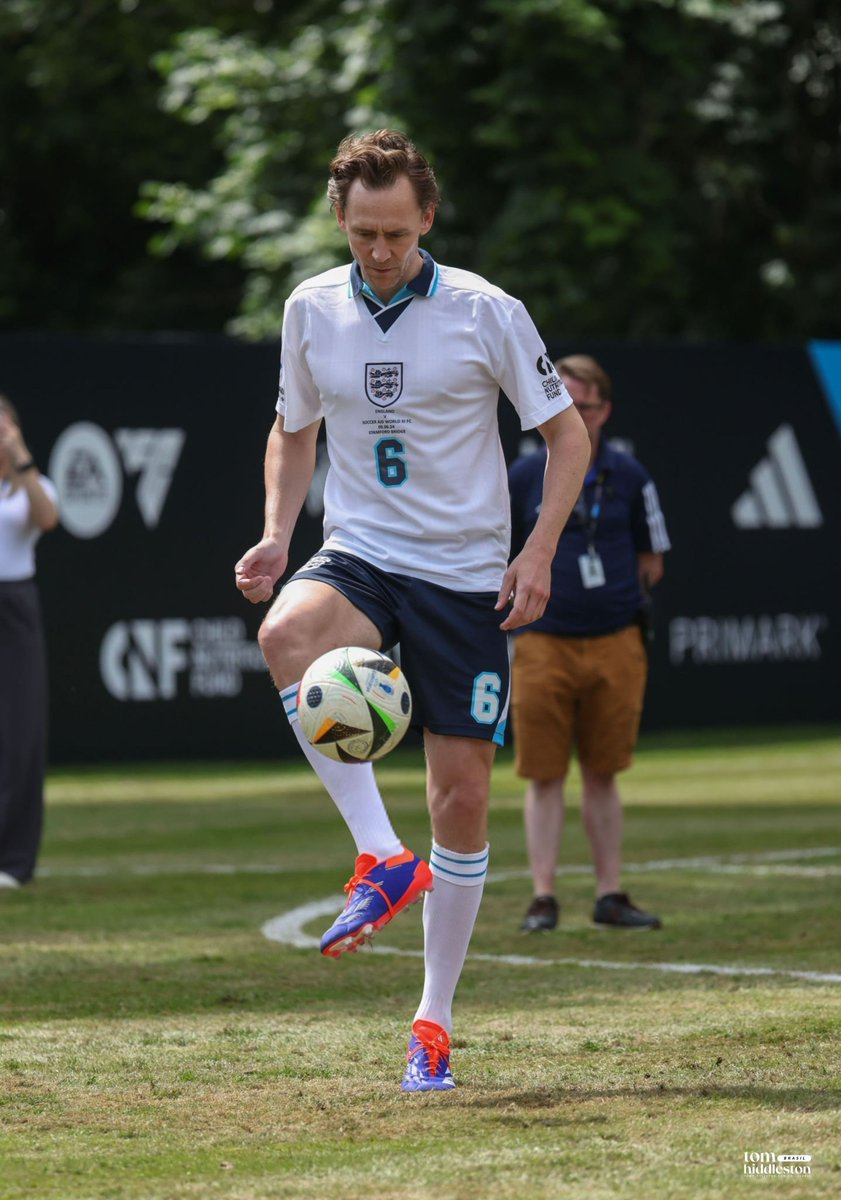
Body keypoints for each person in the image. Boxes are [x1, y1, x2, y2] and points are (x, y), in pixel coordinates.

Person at [235, 130, 590, 1091]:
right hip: (363, 551)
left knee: (462, 801)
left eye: (395, 233)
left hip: (464, 575)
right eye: (362, 236)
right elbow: (291, 428)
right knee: (284, 635)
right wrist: (277, 533)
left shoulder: (486, 312)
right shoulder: (310, 306)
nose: (379, 251)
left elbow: (564, 438)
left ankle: (431, 1021)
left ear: (426, 217)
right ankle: (381, 857)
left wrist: (537, 550)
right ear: (340, 224)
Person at [508, 354, 670, 934]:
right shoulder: (524, 474)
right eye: (565, 404)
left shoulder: (629, 475)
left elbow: (653, 557)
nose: (576, 415)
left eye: (586, 406)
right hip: (542, 640)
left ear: (605, 411)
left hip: (615, 639)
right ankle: (543, 896)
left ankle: (610, 894)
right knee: (543, 773)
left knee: (604, 771)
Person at [0, 395, 59, 889]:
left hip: (15, 607)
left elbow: (45, 519)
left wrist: (18, 454)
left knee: (20, 732)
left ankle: (14, 862)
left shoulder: (31, 486)